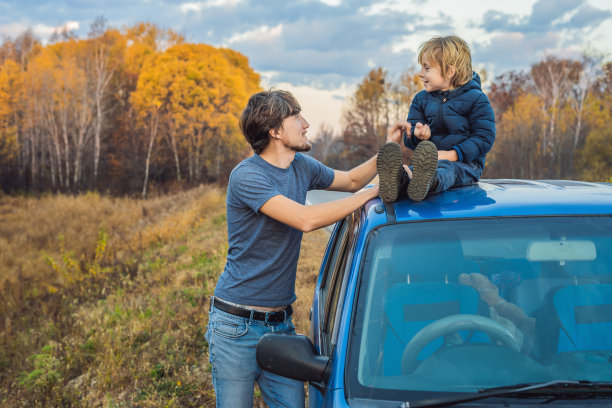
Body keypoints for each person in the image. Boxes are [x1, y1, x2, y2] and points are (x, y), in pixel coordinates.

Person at [205, 89, 407, 408]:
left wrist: (390, 148)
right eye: (297, 116)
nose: (306, 124)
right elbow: (304, 219)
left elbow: (353, 180)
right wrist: (373, 192)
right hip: (235, 328)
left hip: (281, 328)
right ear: (275, 130)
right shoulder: (247, 176)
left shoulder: (302, 166)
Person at [377, 35, 496, 202]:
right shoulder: (421, 100)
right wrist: (418, 136)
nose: (420, 74)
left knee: (447, 170)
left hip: (465, 165)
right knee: (411, 170)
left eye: (427, 68)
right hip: (425, 165)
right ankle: (398, 181)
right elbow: (409, 138)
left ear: (449, 71)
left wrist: (453, 154)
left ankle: (429, 183)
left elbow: (484, 137)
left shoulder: (477, 99)